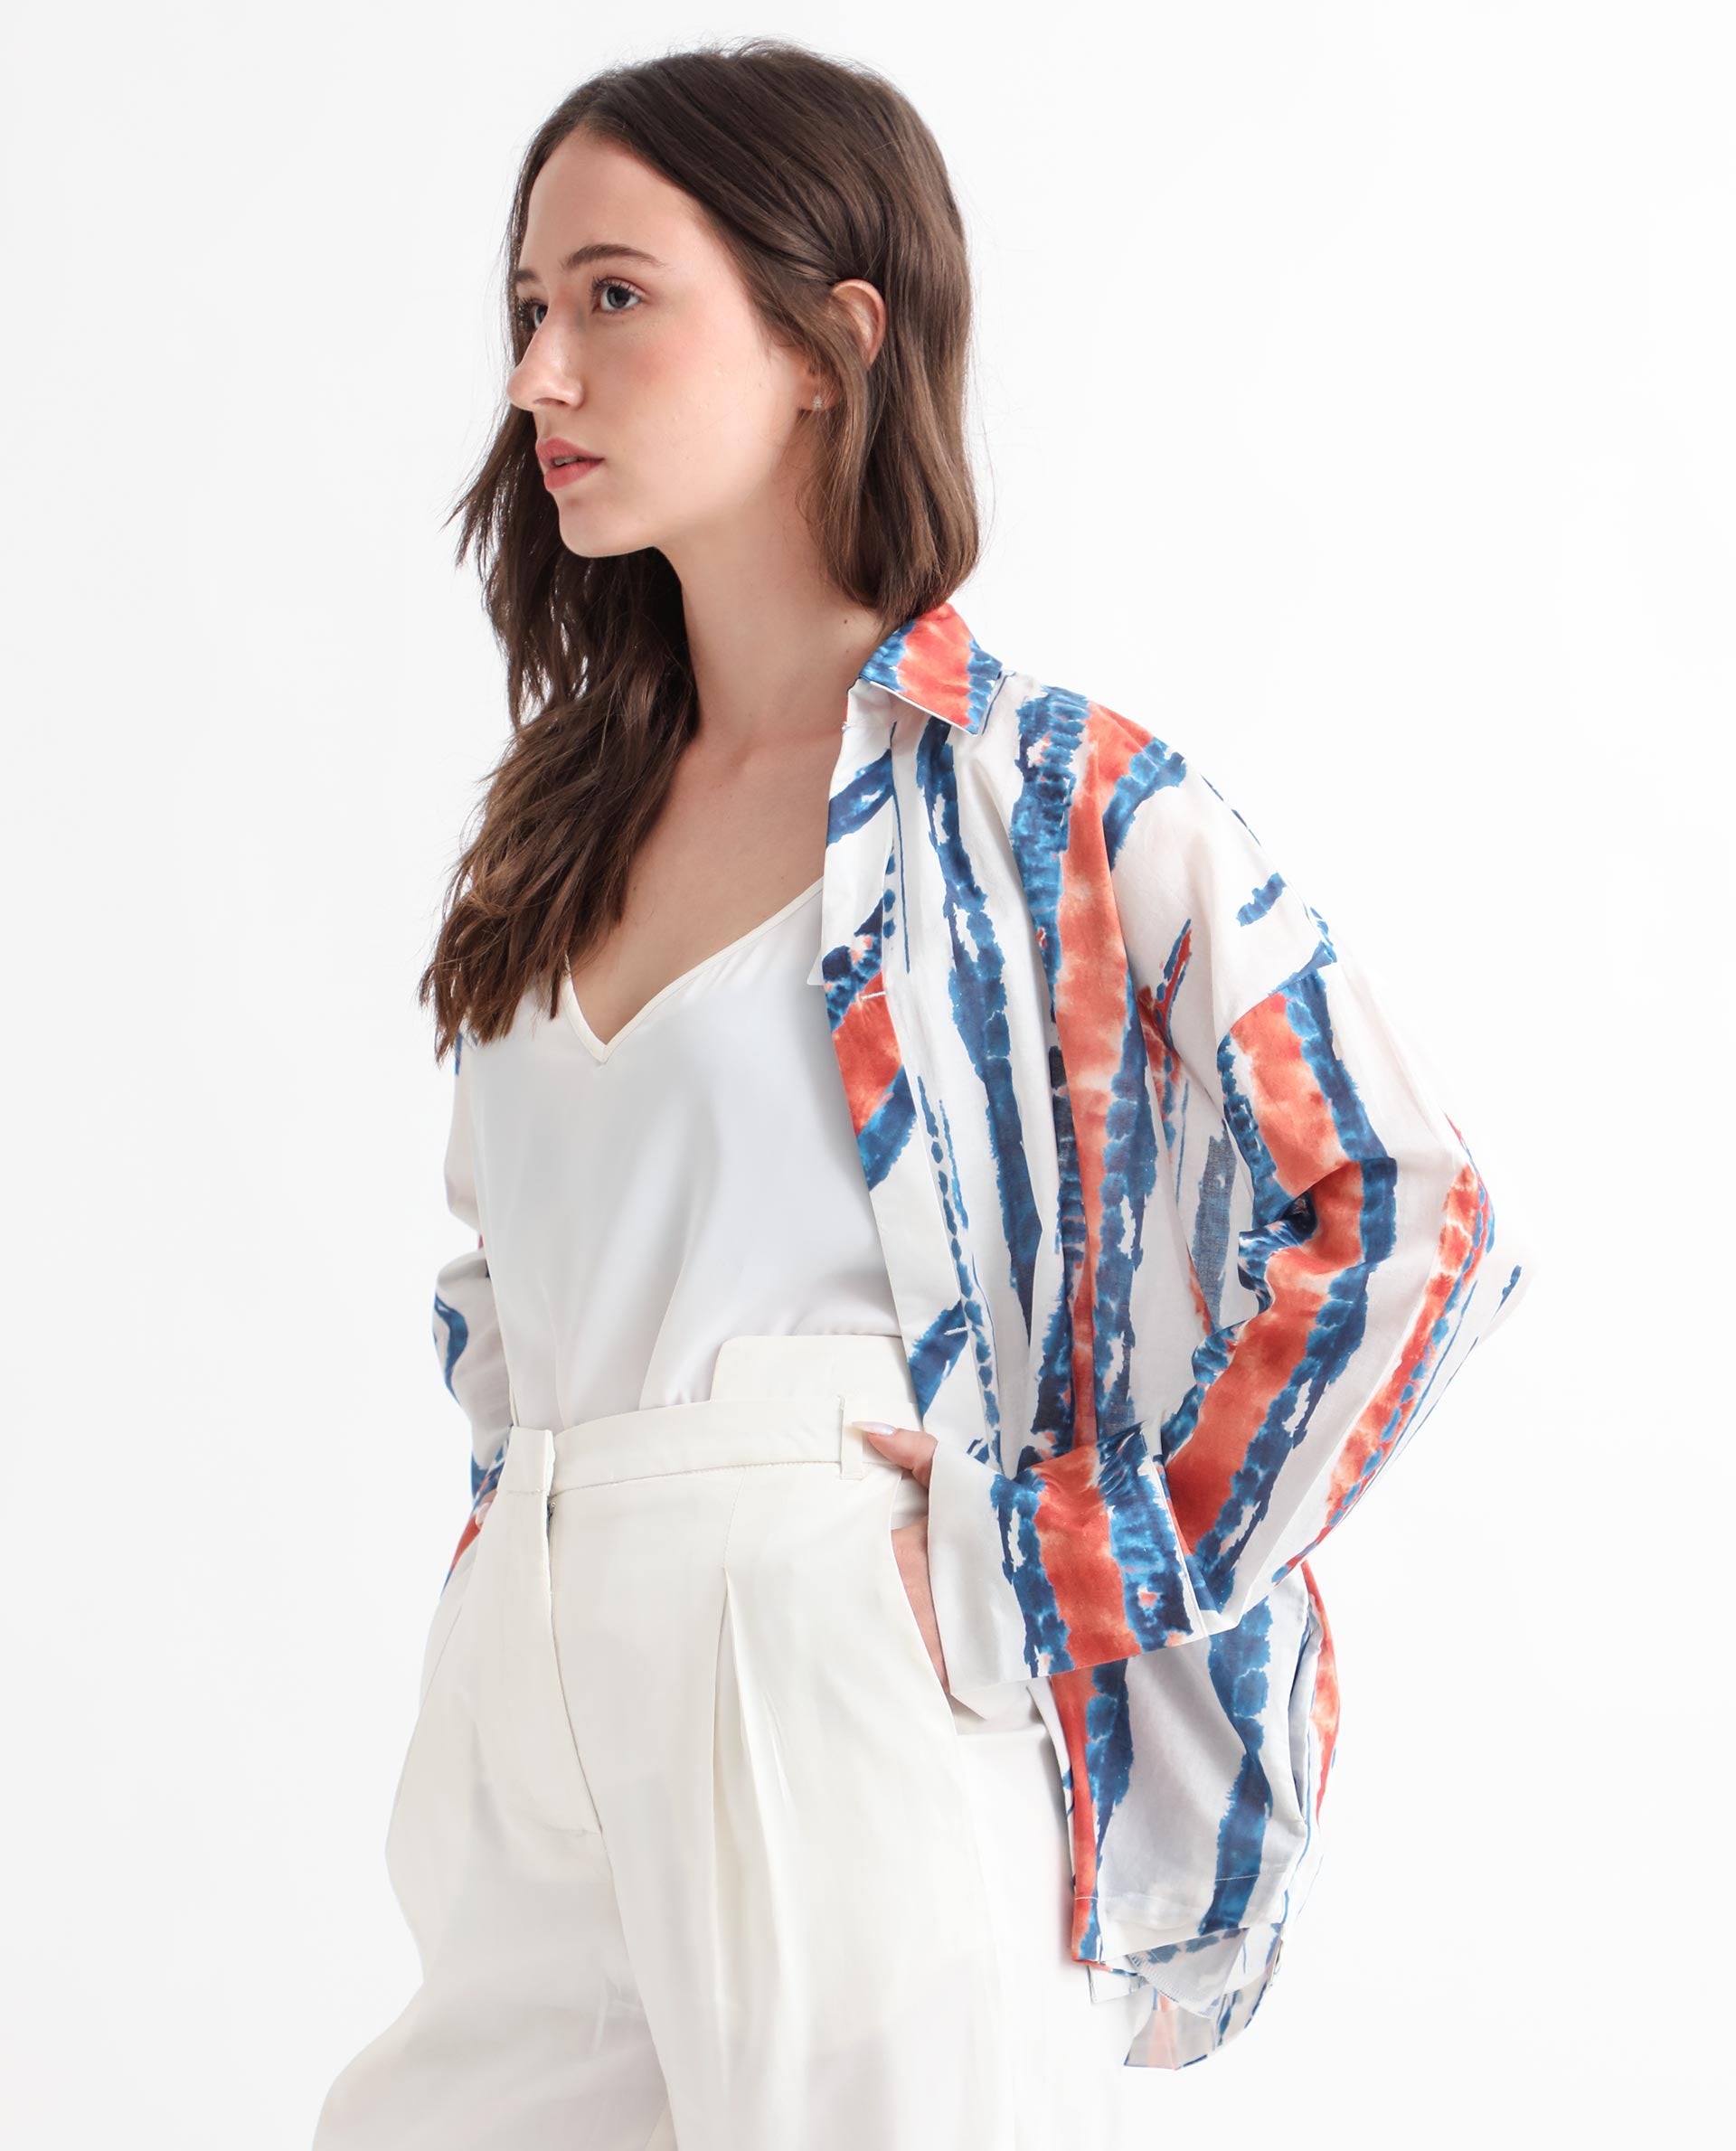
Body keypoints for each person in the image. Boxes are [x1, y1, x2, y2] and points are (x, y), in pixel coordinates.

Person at [310, 35, 1532, 2151]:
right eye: (527, 307)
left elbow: (1410, 1215)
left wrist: (1067, 1557)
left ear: (828, 342)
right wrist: (516, 1548)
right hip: (536, 1671)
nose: (539, 375)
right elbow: (504, 1278)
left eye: (614, 296)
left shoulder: (1043, 798)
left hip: (834, 1637)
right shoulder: (551, 826)